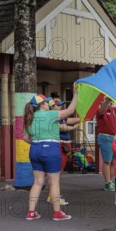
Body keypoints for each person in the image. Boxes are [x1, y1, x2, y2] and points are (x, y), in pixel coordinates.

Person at [22, 85, 78, 221]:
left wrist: (37, 143)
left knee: (37, 182)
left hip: (35, 149)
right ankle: (57, 213)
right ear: (42, 105)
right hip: (51, 149)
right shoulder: (51, 114)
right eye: (46, 102)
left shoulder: (30, 118)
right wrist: (75, 94)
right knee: (54, 182)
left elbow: (25, 138)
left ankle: (31, 212)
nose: (48, 103)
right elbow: (70, 110)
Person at [46, 96, 80, 206]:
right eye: (58, 104)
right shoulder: (53, 117)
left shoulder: (61, 116)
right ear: (52, 106)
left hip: (63, 146)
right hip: (59, 145)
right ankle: (53, 197)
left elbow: (72, 119)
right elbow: (62, 127)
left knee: (57, 173)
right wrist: (74, 127)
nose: (61, 106)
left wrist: (85, 116)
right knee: (56, 173)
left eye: (61, 104)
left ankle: (52, 195)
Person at [97, 97, 116, 191]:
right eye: (103, 100)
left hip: (113, 138)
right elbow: (102, 110)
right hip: (105, 137)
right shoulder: (100, 112)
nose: (105, 102)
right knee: (107, 161)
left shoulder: (115, 110)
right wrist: (108, 98)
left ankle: (109, 182)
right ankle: (107, 183)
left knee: (113, 162)